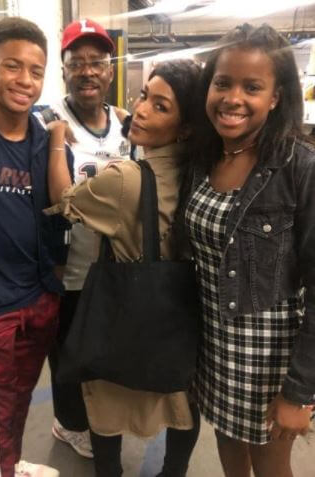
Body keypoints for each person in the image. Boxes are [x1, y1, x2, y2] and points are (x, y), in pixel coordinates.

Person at [45, 59, 202, 477]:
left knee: (106, 403)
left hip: (127, 313)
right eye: (145, 95)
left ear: (185, 126)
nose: (143, 109)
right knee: (183, 403)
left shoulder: (126, 179)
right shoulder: (203, 173)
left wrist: (58, 139)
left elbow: (64, 197)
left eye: (161, 106)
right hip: (183, 315)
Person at [185, 23, 315, 477]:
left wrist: (299, 392)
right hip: (212, 343)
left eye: (252, 87)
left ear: (276, 97)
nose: (233, 98)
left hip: (269, 354)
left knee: (270, 464)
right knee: (226, 446)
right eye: (223, 83)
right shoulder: (204, 156)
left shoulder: (298, 166)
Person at [0, 17, 72, 477]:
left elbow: (63, 210)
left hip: (40, 298)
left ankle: (9, 464)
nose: (24, 81)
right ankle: (0, 469)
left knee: (21, 399)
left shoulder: (48, 143)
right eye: (12, 66)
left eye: (35, 70)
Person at [46, 18, 130, 459]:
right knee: (67, 354)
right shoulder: (48, 123)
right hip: (68, 270)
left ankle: (98, 417)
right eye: (76, 63)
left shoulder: (125, 124)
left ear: (110, 71)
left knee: (103, 351)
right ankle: (69, 424)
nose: (87, 71)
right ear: (64, 71)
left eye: (96, 62)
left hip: (113, 267)